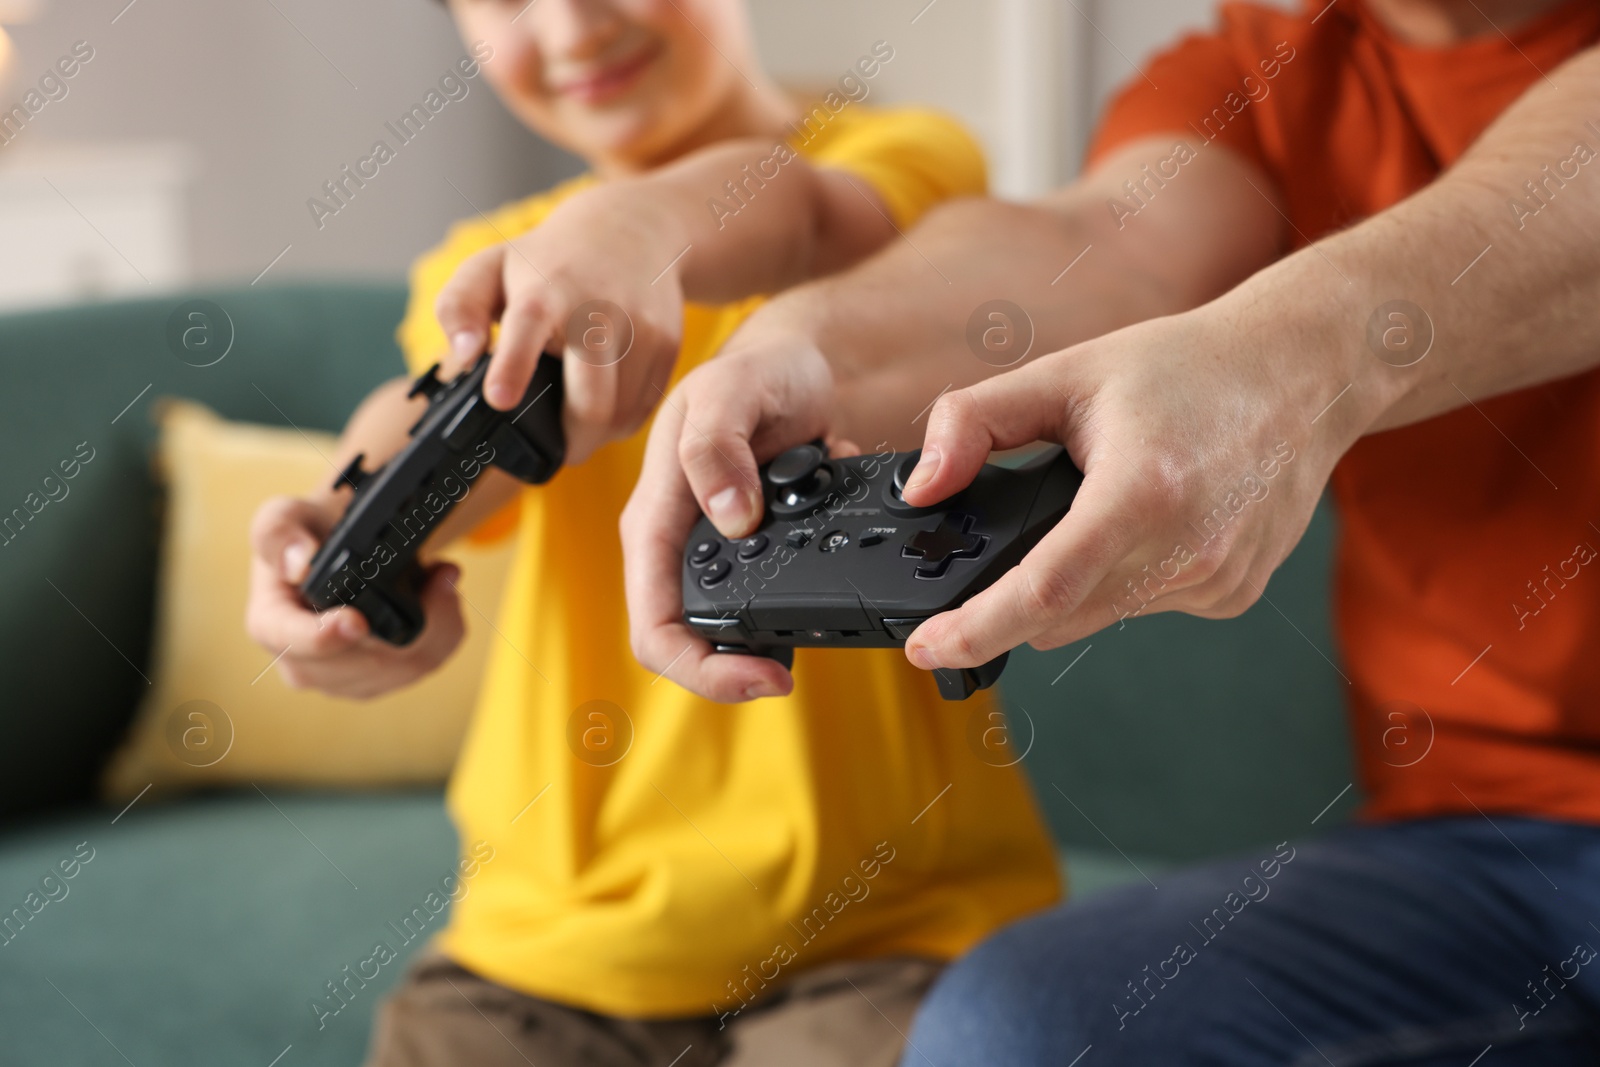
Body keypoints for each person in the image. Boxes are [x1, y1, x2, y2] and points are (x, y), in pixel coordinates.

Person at [622, 0, 1600, 1061]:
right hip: (1492, 856)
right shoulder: (1262, 71)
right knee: (1018, 1030)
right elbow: (1101, 247)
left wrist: (1295, 352)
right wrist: (811, 350)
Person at [245, 1, 1063, 1065]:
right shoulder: (491, 262)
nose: (572, 23)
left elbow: (805, 210)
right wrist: (329, 532)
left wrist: (637, 225)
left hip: (892, 932)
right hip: (544, 946)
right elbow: (423, 417)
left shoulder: (905, 159)